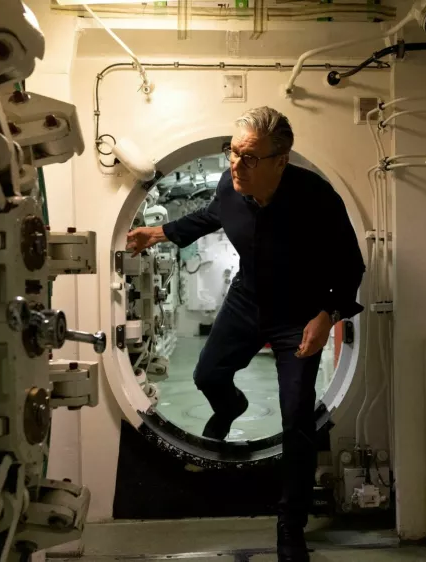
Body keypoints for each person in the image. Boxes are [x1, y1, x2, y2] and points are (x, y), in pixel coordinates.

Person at [126, 106, 365, 561]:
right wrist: (157, 232)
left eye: (249, 157)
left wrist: (327, 315)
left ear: (281, 160)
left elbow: (350, 266)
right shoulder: (229, 186)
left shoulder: (317, 198)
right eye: (233, 152)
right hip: (248, 298)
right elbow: (210, 217)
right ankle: (232, 404)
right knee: (208, 375)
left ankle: (290, 526)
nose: (236, 164)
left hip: (299, 312)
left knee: (296, 420)